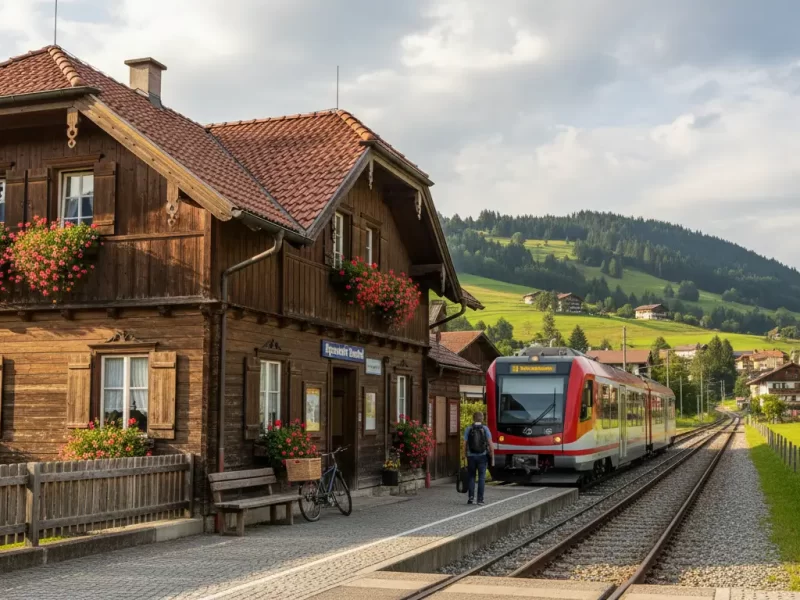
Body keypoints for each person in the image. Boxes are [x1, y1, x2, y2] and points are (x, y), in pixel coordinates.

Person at [463, 411, 494, 505]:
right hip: (482, 456)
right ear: (482, 419)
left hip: (471, 456)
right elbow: (490, 442)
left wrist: (463, 455)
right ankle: (480, 499)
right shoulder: (485, 429)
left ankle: (471, 498)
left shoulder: (469, 429)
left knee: (471, 477)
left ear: (473, 418)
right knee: (481, 478)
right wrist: (492, 454)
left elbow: (464, 443)